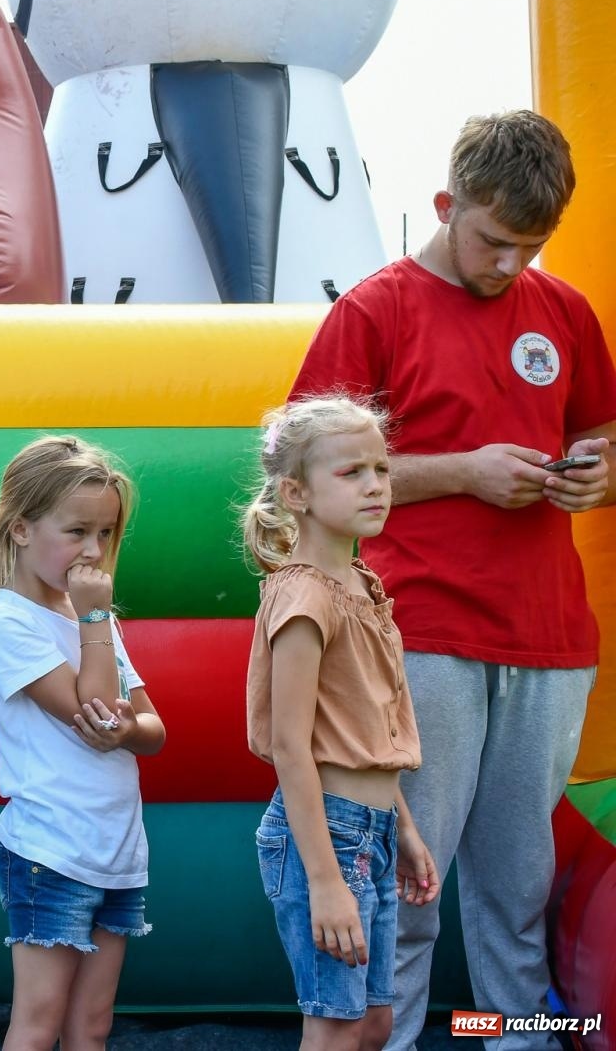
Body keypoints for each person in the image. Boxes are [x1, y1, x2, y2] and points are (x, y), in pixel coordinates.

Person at [289, 110, 616, 1048]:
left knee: (518, 889)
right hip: (417, 630)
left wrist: (597, 472)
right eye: (493, 241)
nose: (511, 265)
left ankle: (510, 1038)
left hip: (549, 640)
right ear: (445, 204)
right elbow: (305, 472)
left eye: (532, 247)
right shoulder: (374, 309)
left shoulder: (565, 313)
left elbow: (604, 437)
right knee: (407, 882)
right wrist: (461, 470)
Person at [242, 398, 441, 1049]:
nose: (375, 486)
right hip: (326, 836)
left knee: (375, 1022)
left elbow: (368, 732)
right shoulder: (304, 598)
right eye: (352, 472)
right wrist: (325, 882)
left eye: (381, 470)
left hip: (373, 830)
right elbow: (292, 748)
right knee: (335, 1024)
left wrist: (403, 829)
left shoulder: (360, 584)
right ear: (295, 493)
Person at [0, 436, 166, 1051]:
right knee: (39, 1020)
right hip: (50, 851)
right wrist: (95, 622)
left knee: (93, 1024)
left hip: (117, 848)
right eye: (77, 531)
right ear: (20, 529)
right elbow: (98, 708)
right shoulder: (9, 624)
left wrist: (128, 730)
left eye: (106, 534)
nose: (94, 552)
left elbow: (150, 730)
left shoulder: (94, 619)